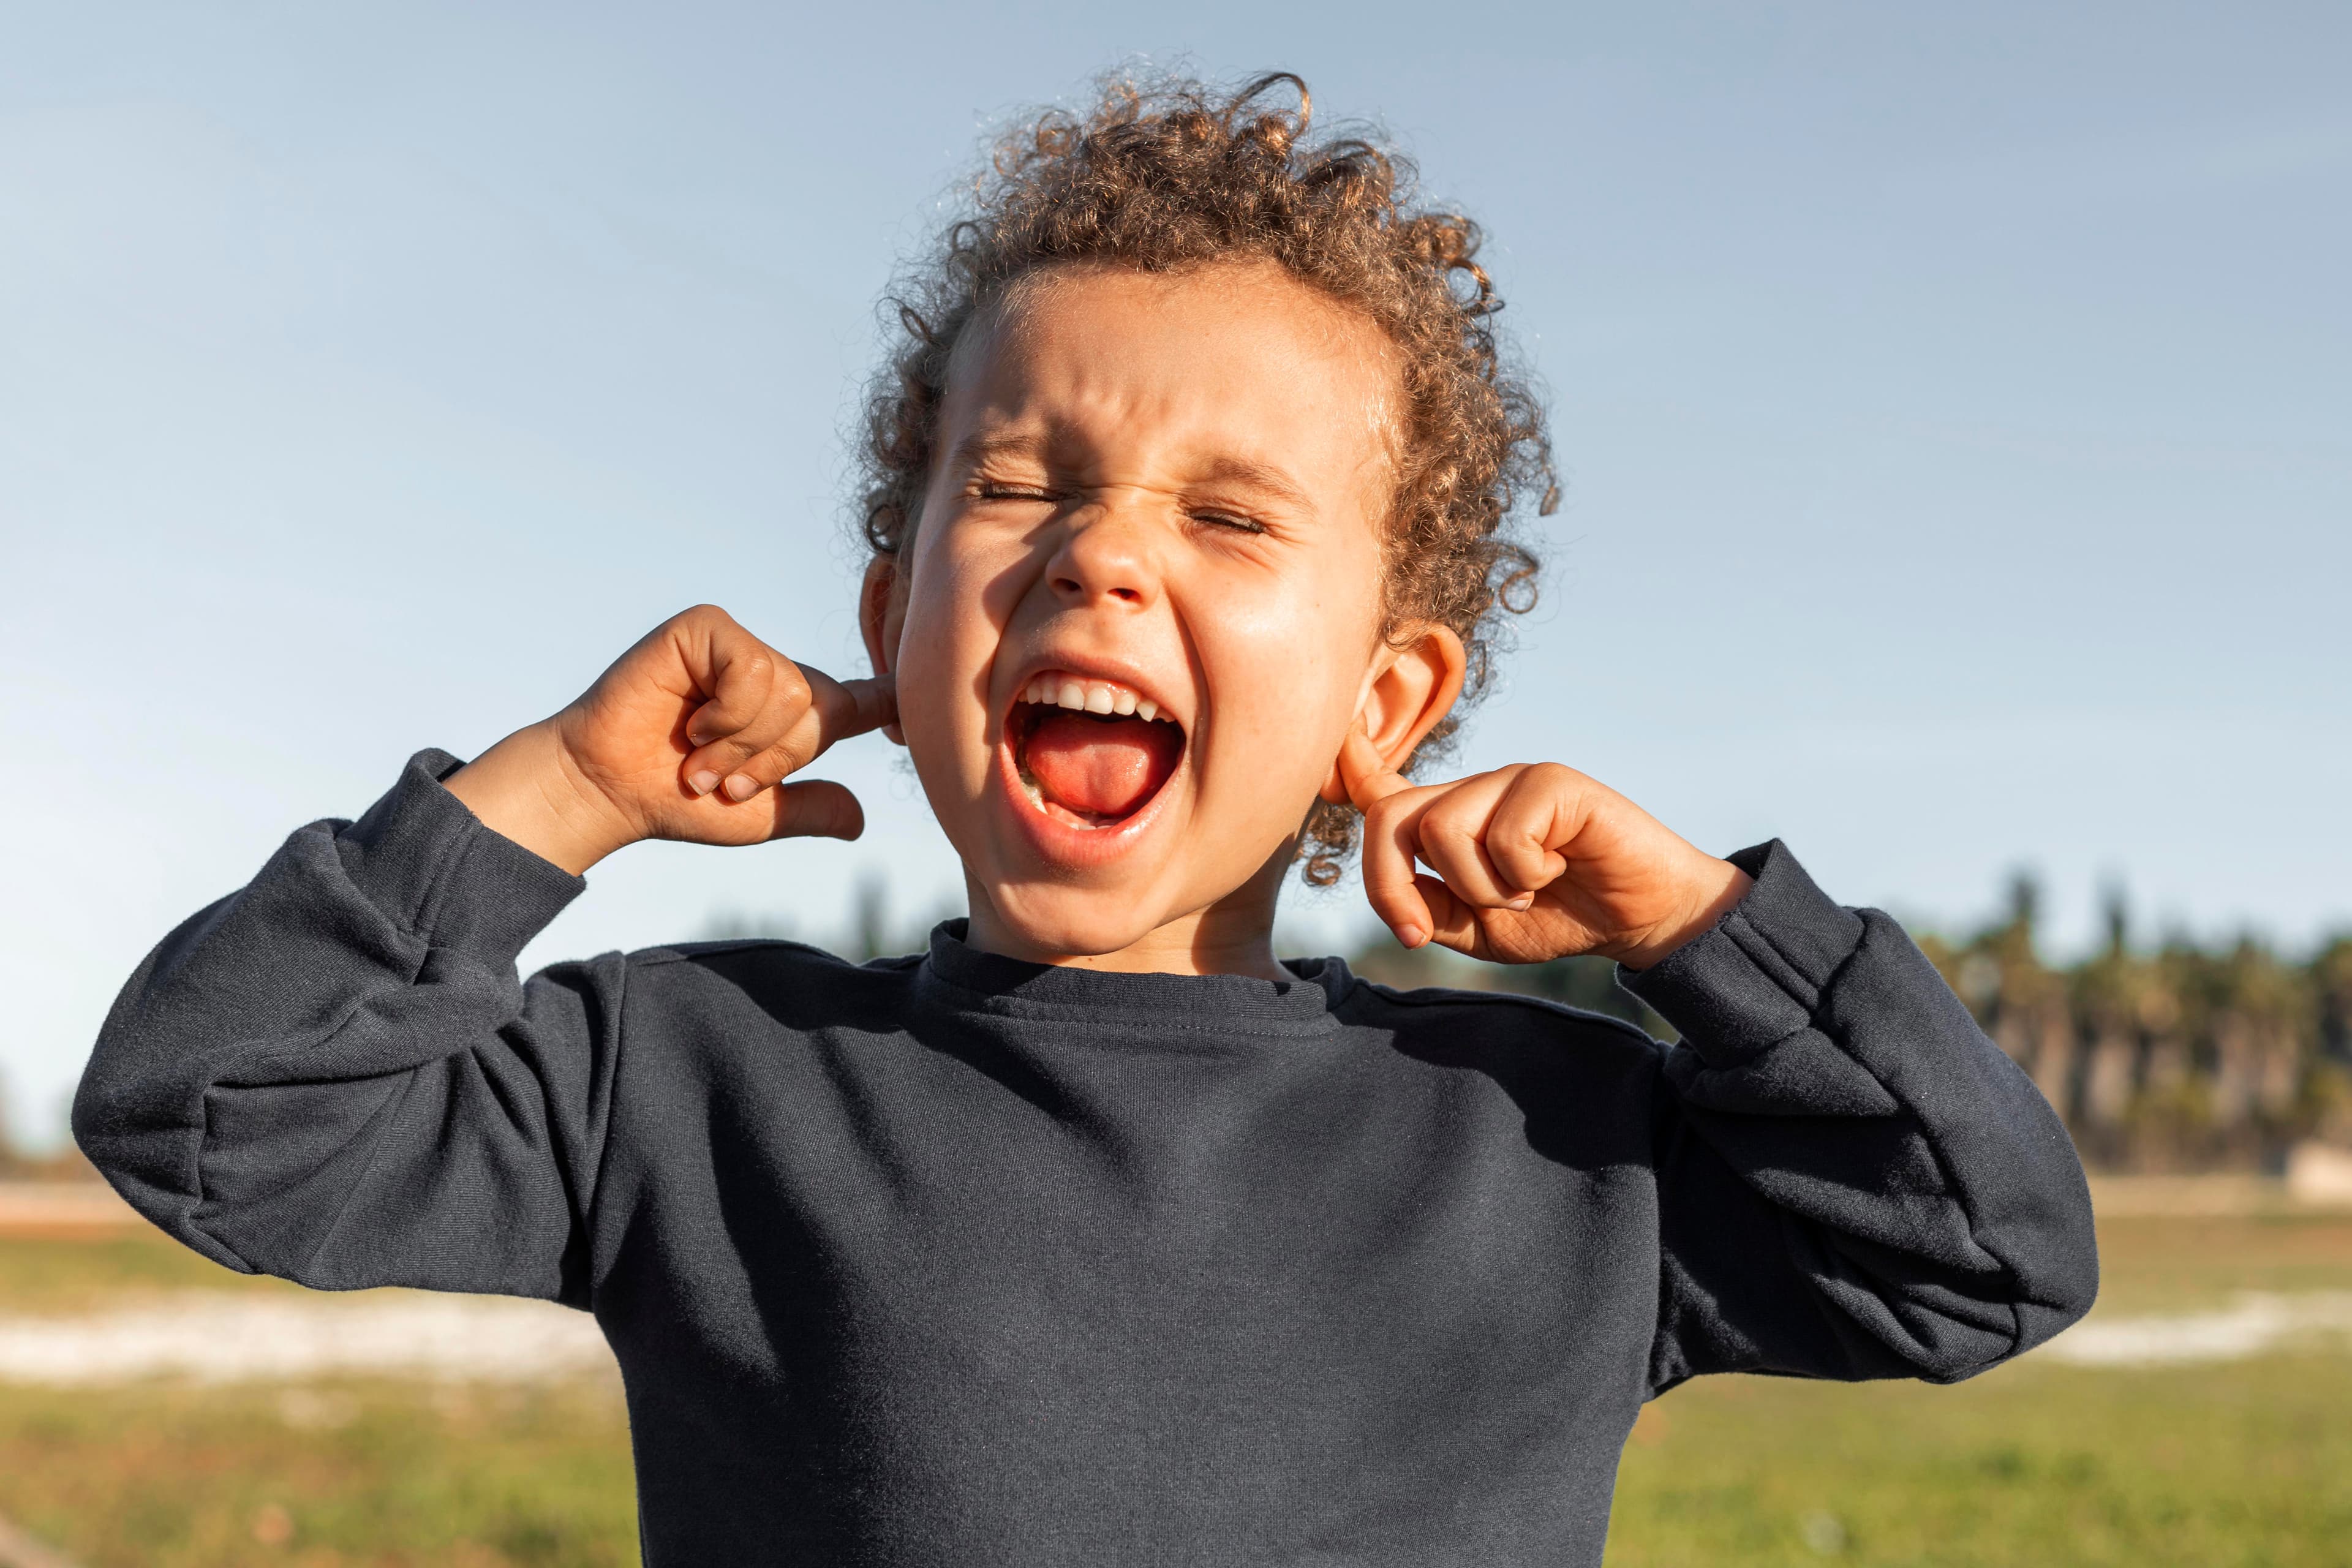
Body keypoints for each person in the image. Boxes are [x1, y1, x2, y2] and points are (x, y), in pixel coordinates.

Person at [74, 72, 2097, 1567]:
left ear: (1381, 706)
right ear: (894, 618)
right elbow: (208, 1112)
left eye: (1227, 516)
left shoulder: (1554, 1142)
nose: (1101, 560)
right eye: (1024, 488)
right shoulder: (691, 1082)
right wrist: (563, 794)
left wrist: (1705, 935)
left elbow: (1984, 1254)